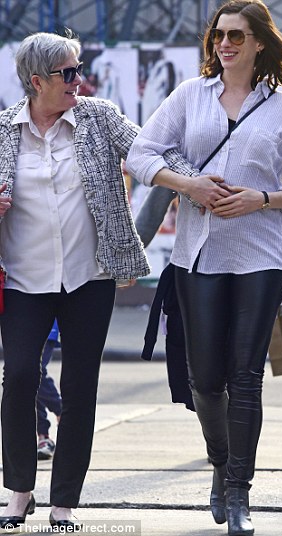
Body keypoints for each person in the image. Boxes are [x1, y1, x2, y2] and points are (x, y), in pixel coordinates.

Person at [0, 30, 198, 531]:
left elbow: (148, 155)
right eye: (68, 73)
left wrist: (191, 183)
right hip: (24, 279)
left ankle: (64, 503)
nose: (78, 80)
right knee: (19, 376)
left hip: (90, 278)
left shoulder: (97, 116)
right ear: (36, 80)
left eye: (78, 68)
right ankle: (20, 491)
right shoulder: (3, 130)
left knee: (81, 386)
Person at [126, 1, 282, 534]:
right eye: (218, 35)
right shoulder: (189, 97)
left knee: (246, 376)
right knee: (206, 379)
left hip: (262, 258)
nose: (224, 43)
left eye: (235, 36)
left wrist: (263, 199)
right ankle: (222, 463)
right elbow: (142, 154)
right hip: (199, 256)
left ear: (258, 44)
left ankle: (239, 494)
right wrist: (190, 186)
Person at [37, 320, 62, 460]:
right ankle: (43, 435)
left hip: (47, 317)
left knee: (34, 371)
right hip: (18, 317)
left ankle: (63, 411)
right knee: (25, 376)